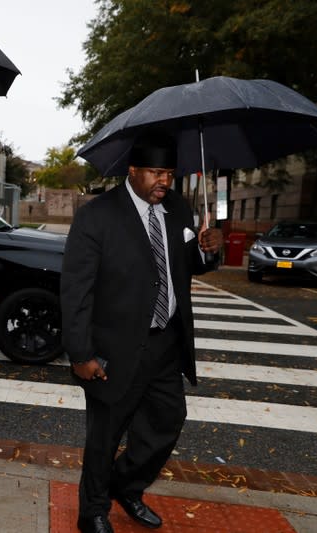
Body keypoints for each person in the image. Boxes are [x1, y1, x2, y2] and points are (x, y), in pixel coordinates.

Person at [60, 130, 223, 533]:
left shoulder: (180, 210)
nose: (163, 181)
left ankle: (126, 485)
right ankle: (93, 510)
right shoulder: (97, 215)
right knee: (105, 435)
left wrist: (207, 248)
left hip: (166, 343)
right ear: (133, 171)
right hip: (113, 348)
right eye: (154, 172)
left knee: (167, 421)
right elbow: (76, 290)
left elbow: (189, 266)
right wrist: (81, 354)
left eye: (168, 173)